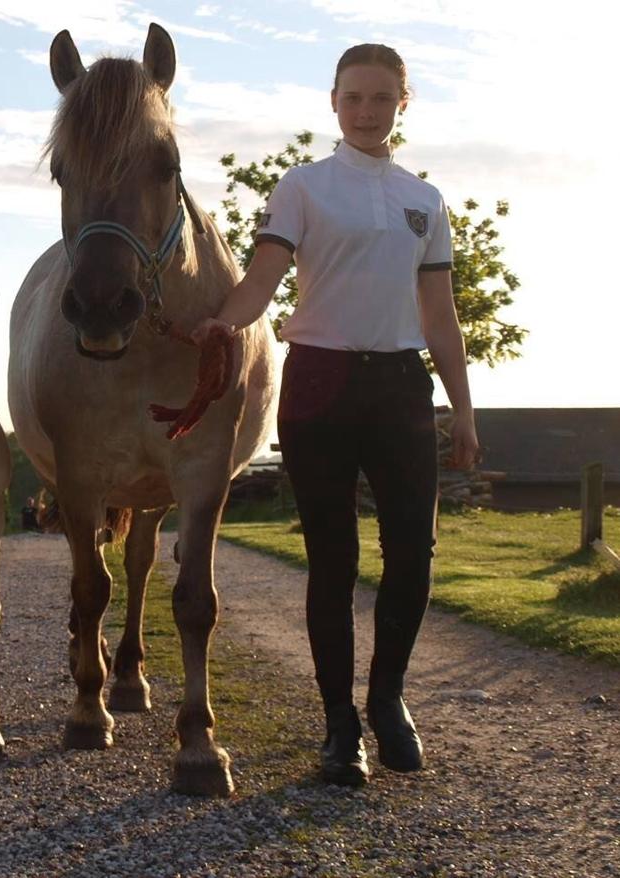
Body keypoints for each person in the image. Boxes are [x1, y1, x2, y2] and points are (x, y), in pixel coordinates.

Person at [193, 44, 479, 786]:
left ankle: (387, 701)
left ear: (402, 105)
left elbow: (440, 316)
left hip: (401, 386)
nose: (365, 111)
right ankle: (338, 727)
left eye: (381, 99)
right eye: (353, 97)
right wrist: (224, 323)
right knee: (333, 559)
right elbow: (262, 279)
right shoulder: (302, 187)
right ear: (333, 101)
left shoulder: (425, 199)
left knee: (413, 553)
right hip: (319, 380)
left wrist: (463, 409)